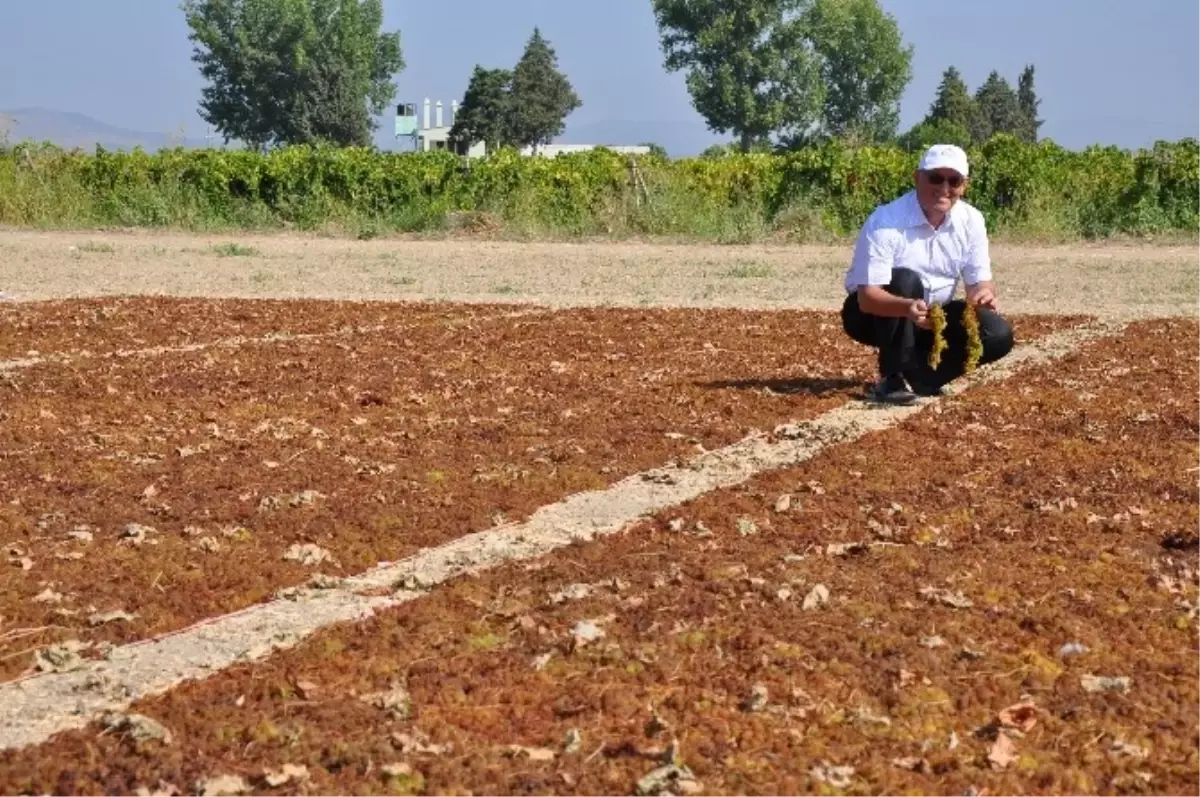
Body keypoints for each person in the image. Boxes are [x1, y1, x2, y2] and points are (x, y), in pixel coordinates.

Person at [840, 143, 1014, 405]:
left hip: (932, 316)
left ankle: (922, 377)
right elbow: (867, 298)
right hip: (874, 316)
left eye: (953, 181)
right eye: (935, 178)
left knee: (998, 334)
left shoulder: (972, 221)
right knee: (905, 280)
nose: (944, 188)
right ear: (917, 178)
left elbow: (979, 282)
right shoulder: (885, 221)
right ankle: (893, 376)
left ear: (964, 185)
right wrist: (907, 307)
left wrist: (983, 295)